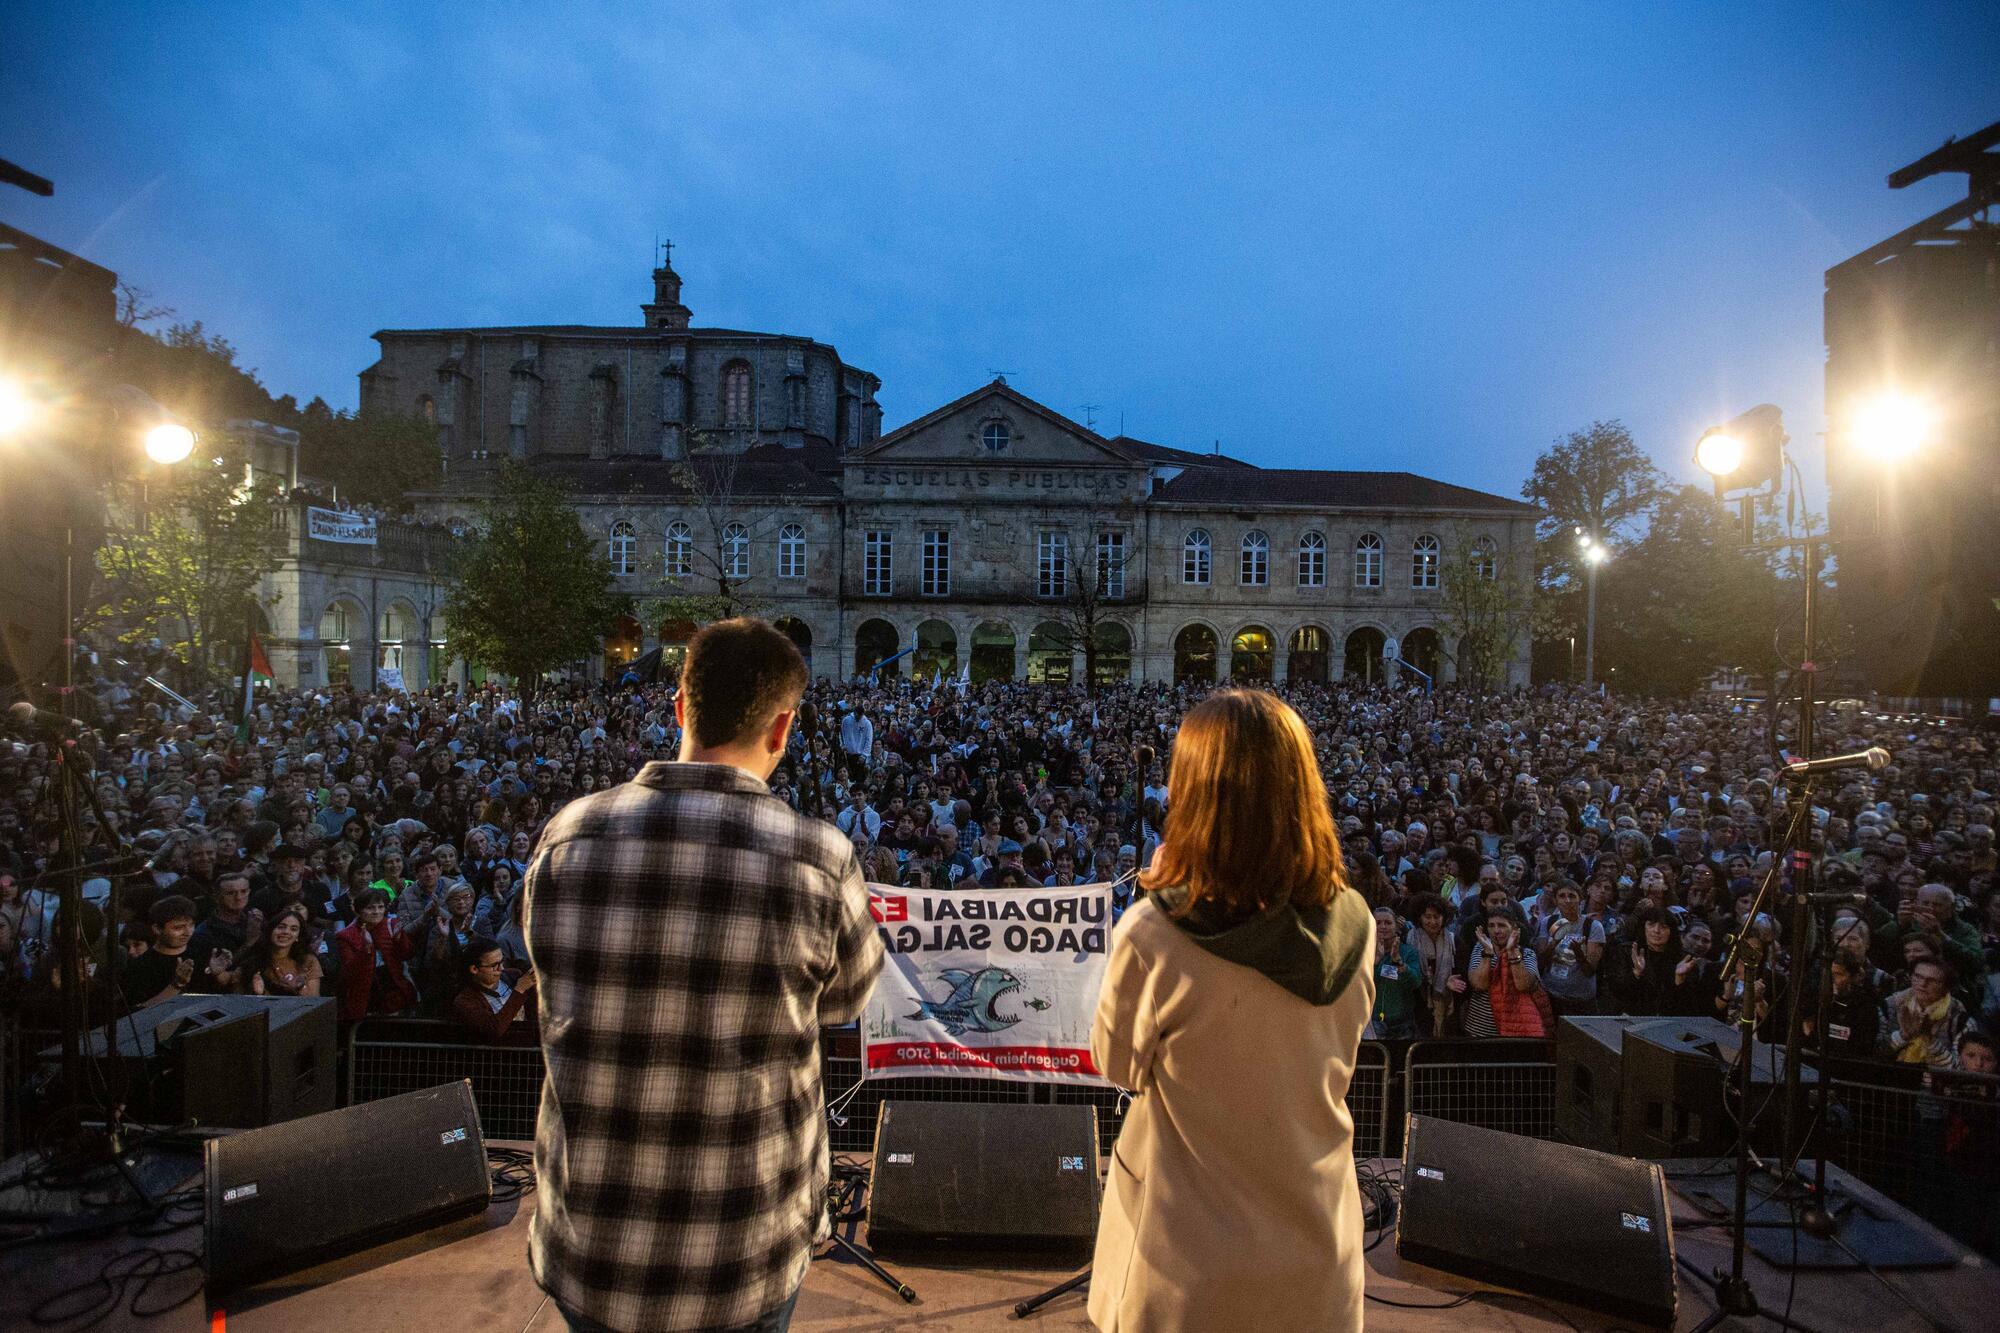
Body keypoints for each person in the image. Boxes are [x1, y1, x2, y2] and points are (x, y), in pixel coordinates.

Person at [524, 618, 883, 1333]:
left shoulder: (570, 835)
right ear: (782, 729)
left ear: (680, 708)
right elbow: (844, 1000)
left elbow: (545, 965)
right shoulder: (818, 858)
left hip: (591, 1238)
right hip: (742, 1245)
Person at [1089, 689, 1373, 1333]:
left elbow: (1118, 1067)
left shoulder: (1153, 934)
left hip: (1184, 1263)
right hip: (1316, 1252)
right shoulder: (1357, 923)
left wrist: (1166, 891)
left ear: (1193, 793)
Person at [449, 936, 535, 1041]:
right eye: (495, 965)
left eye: (502, 961)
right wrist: (519, 990)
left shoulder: (513, 976)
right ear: (474, 969)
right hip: (499, 1052)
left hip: (528, 1044)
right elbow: (494, 1029)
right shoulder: (465, 1001)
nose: (501, 968)